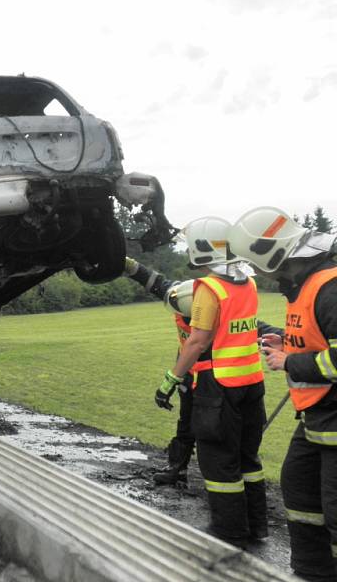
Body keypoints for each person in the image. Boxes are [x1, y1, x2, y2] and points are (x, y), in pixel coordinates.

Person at [229, 207, 337, 581]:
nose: (256, 272)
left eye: (255, 263)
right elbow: (314, 337)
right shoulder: (307, 287)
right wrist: (285, 339)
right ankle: (312, 573)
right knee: (299, 492)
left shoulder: (330, 288)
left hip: (332, 420)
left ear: (273, 255)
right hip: (317, 420)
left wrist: (290, 361)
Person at [162, 216, 267, 548]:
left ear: (201, 247)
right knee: (248, 459)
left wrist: (171, 379)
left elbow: (197, 341)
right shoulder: (248, 284)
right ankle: (257, 526)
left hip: (219, 387)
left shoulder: (210, 288)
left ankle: (229, 532)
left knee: (220, 462)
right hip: (252, 382)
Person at [124, 257, 199, 485]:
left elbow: (256, 328)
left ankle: (224, 473)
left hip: (215, 379)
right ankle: (177, 468)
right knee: (185, 422)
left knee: (209, 427)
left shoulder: (215, 312)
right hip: (188, 371)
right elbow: (153, 280)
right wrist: (125, 263)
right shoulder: (179, 295)